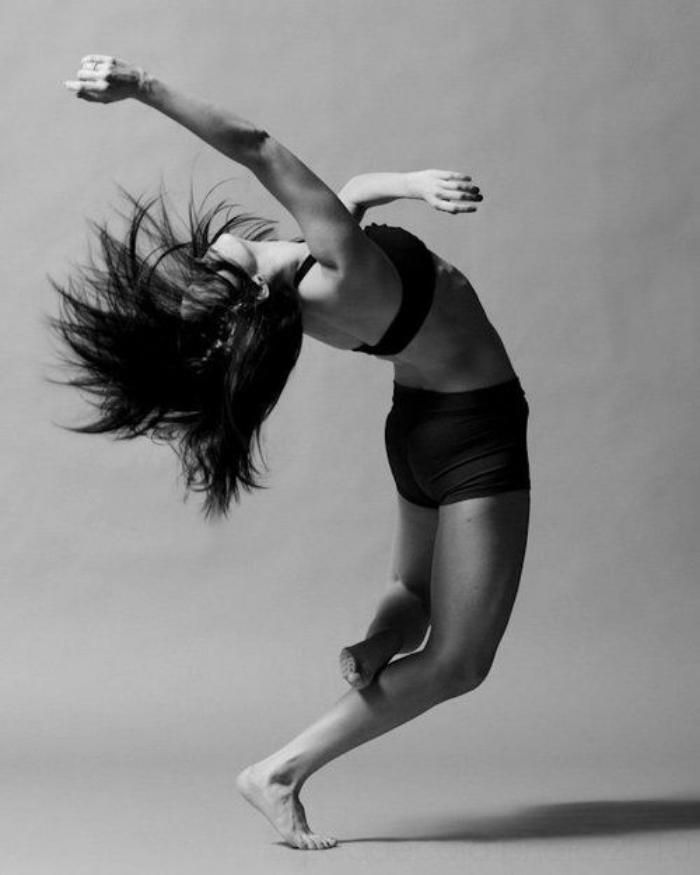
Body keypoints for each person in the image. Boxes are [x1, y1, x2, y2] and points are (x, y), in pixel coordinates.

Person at [59, 55, 531, 850]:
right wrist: (142, 87)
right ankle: (281, 770)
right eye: (206, 268)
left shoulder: (315, 276)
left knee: (409, 593)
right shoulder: (334, 267)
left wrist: (413, 182)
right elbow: (256, 145)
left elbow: (350, 193)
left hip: (413, 429)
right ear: (240, 287)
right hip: (476, 430)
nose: (208, 249)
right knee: (459, 662)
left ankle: (377, 642)